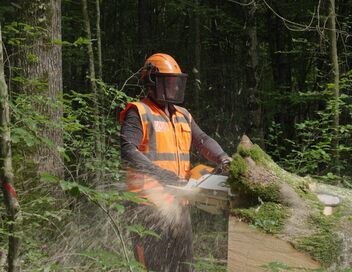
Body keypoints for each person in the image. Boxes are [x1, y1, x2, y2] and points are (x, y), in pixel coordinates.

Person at [120, 53, 231, 272]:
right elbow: (128, 150)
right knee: (155, 267)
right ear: (152, 82)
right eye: (168, 82)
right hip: (148, 207)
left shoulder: (183, 114)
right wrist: (160, 174)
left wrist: (223, 157)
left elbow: (202, 140)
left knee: (184, 266)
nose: (173, 87)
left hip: (179, 204)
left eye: (175, 82)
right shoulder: (139, 112)